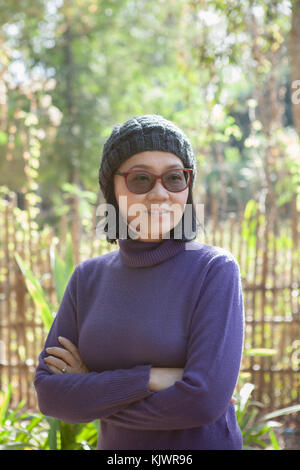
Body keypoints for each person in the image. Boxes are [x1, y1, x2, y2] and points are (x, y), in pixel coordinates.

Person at [34, 114, 245, 450]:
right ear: (112, 190)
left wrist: (92, 391)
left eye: (175, 178)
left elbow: (204, 401)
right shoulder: (86, 279)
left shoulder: (213, 270)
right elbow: (50, 395)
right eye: (141, 178)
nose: (160, 194)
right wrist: (154, 378)